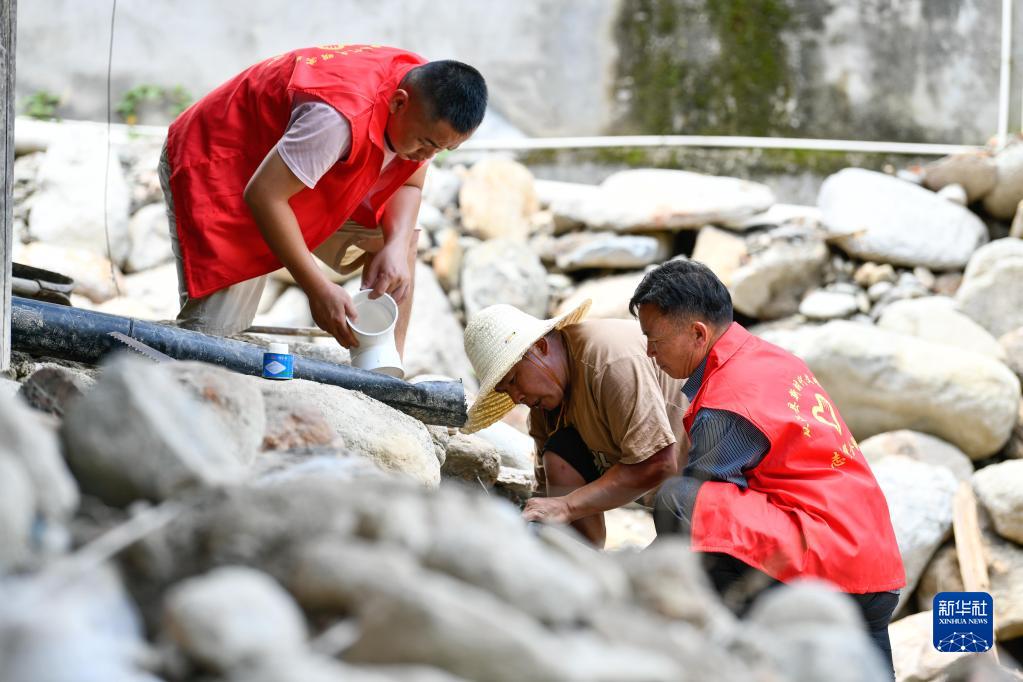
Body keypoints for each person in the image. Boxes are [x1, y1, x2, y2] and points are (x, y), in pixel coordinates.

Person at [629, 259, 905, 676]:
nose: (650, 352)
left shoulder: (728, 400)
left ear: (698, 333)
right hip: (875, 563)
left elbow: (699, 520)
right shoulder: (771, 358)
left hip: (828, 562)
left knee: (679, 501)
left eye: (654, 339)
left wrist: (629, 581)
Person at [158, 44, 487, 352]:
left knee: (398, 245)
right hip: (224, 163)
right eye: (426, 143)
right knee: (212, 340)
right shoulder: (336, 120)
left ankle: (384, 365)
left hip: (301, 168)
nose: (427, 156)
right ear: (399, 103)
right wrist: (317, 289)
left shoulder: (428, 98)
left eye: (443, 149)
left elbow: (409, 184)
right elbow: (264, 196)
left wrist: (396, 246)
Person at [461, 300, 687, 548]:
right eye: (506, 391)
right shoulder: (544, 405)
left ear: (540, 347)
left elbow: (658, 463)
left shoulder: (608, 361)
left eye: (514, 380)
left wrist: (567, 506)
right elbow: (545, 499)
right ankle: (583, 554)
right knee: (560, 449)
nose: (516, 398)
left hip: (707, 484)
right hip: (671, 497)